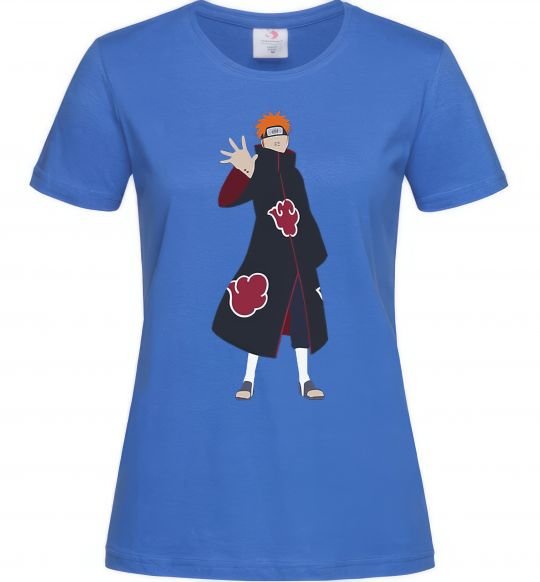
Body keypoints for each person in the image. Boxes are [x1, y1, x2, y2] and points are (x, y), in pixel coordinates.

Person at [212, 112, 328, 400]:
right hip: (267, 256)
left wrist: (313, 251)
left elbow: (305, 212)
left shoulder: (294, 174)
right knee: (259, 317)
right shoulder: (258, 168)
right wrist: (244, 169)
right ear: (263, 141)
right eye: (271, 136)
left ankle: (305, 379)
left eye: (281, 135)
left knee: (302, 320)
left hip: (300, 257)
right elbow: (227, 199)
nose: (277, 140)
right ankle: (248, 380)